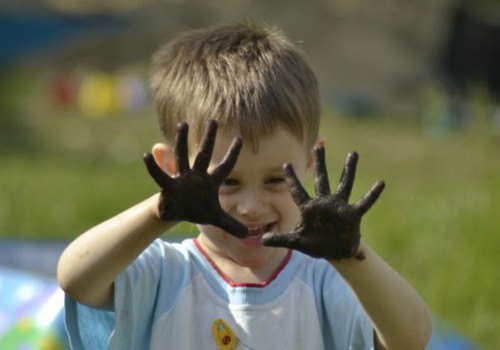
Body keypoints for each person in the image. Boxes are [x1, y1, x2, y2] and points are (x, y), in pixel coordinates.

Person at [57, 21, 434, 350]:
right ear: (174, 169)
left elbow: (411, 338)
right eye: (227, 182)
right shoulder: (163, 275)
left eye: (275, 180)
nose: (252, 206)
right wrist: (160, 210)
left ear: (309, 160)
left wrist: (352, 256)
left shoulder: (323, 282)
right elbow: (76, 278)